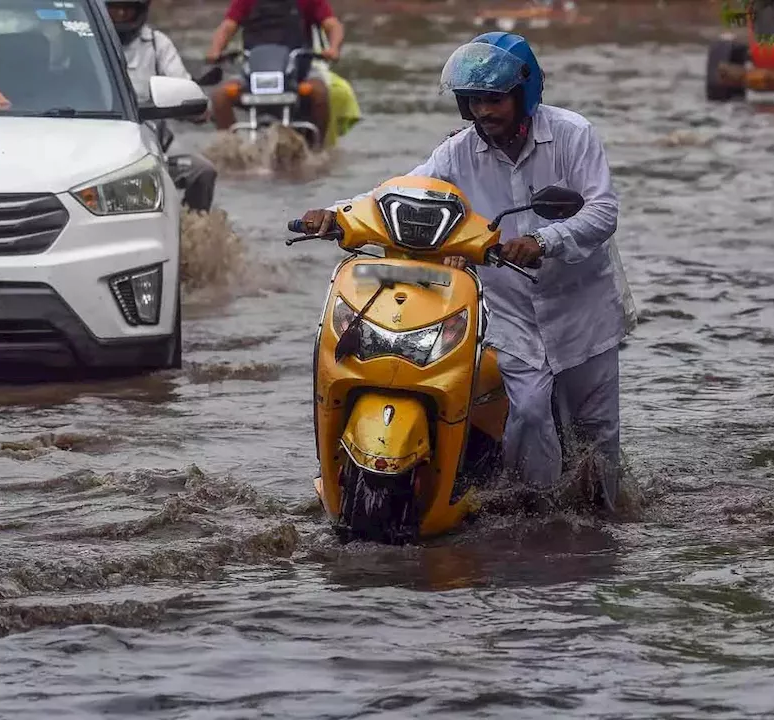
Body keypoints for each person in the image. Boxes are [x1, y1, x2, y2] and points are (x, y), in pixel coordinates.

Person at [298, 32, 626, 510]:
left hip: (581, 311)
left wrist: (542, 241)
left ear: (525, 92)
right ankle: (537, 517)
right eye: (473, 101)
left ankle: (605, 525)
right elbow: (401, 193)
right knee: (530, 412)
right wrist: (335, 215)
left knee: (597, 436)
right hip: (510, 310)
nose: (483, 112)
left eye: (494, 99)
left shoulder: (573, 135)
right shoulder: (456, 153)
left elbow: (602, 212)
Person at [105, 0, 218, 213]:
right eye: (114, 10)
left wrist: (195, 107)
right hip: (99, 147)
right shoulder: (85, 42)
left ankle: (193, 229)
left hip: (153, 148)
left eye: (126, 10)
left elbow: (184, 85)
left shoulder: (157, 44)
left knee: (202, 172)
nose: (120, 14)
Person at [203, 0, 344, 146]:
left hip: (299, 70)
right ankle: (231, 148)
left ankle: (318, 147)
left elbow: (332, 25)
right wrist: (215, 49)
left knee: (319, 93)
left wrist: (333, 48)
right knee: (220, 97)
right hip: (253, 72)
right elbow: (227, 26)